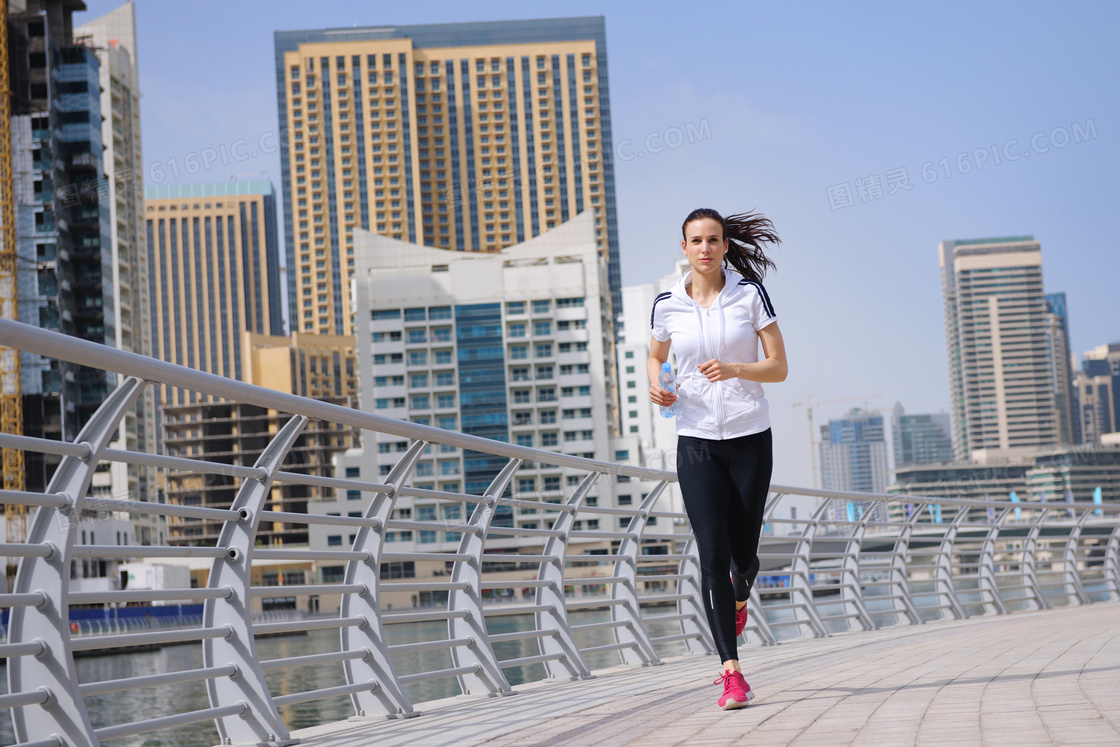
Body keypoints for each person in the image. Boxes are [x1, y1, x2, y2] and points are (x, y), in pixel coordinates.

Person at [648, 208, 786, 710]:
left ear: (726, 245)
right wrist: (656, 385)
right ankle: (731, 673)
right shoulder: (666, 305)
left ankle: (741, 594)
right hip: (696, 440)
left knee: (743, 555)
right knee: (711, 555)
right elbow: (655, 356)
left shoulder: (749, 295)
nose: (704, 248)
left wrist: (733, 368)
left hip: (750, 436)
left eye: (713, 240)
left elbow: (779, 367)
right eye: (695, 240)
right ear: (683, 247)